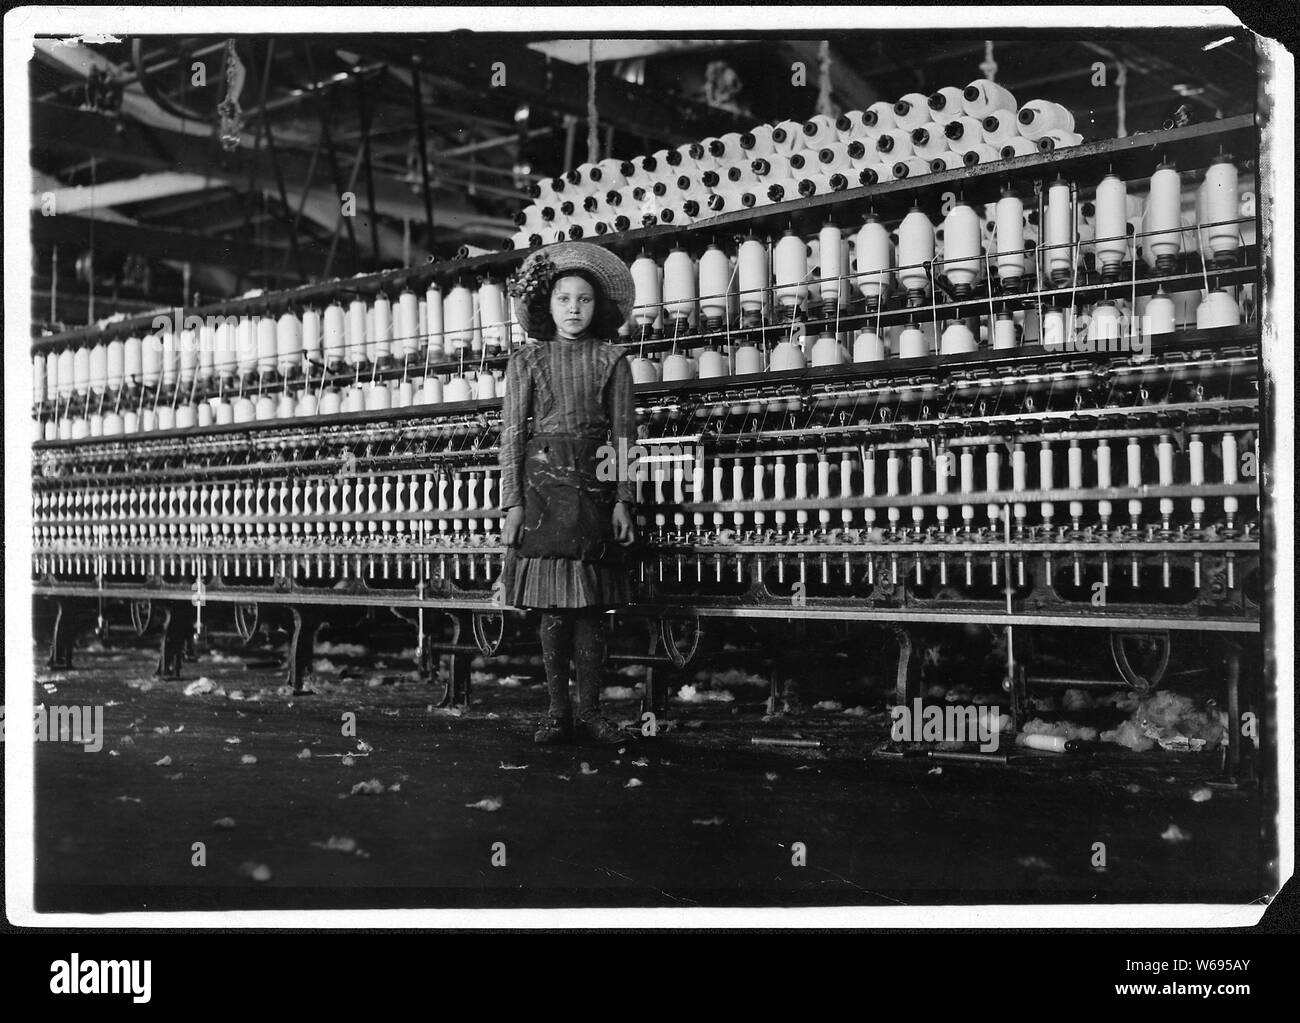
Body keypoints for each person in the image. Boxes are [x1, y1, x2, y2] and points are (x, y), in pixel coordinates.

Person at [499, 242, 638, 744]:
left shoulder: (613, 360)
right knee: (552, 609)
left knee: (591, 608)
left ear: (598, 306)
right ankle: (557, 712)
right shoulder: (527, 360)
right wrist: (512, 503)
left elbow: (624, 435)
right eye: (563, 299)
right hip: (542, 491)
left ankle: (592, 713)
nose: (574, 309)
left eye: (583, 299)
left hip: (596, 489)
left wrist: (624, 498)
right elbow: (512, 433)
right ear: (547, 305)